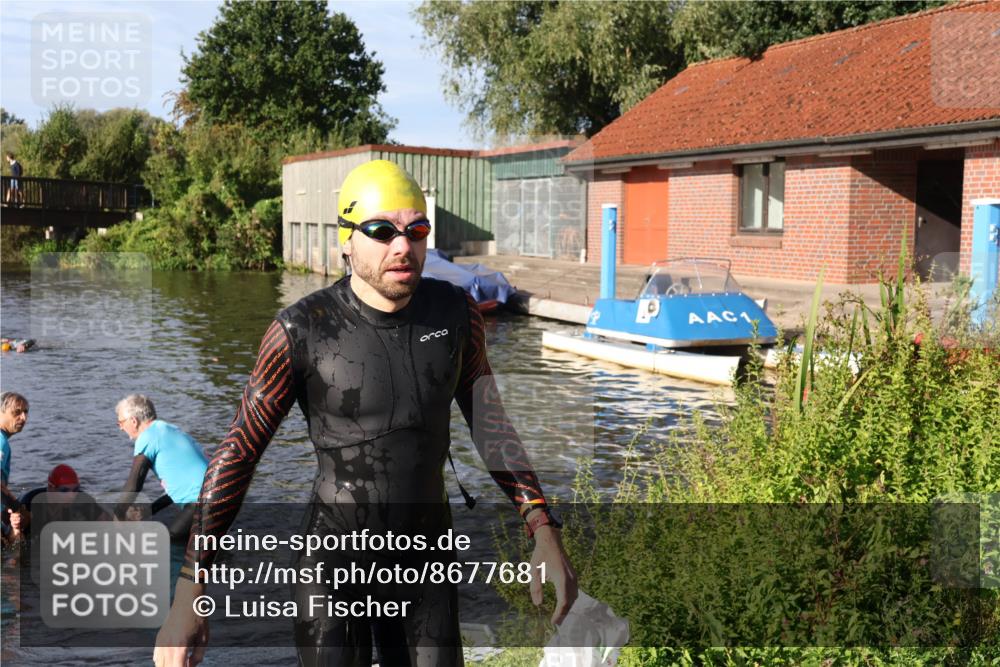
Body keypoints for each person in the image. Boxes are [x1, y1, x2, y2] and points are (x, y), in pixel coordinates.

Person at [154, 160, 577, 667]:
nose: (403, 245)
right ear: (347, 240)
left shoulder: (456, 314)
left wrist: (543, 530)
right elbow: (239, 453)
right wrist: (189, 591)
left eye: (417, 229)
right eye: (382, 230)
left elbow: (491, 427)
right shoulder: (301, 329)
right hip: (333, 565)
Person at [115, 394, 209, 541]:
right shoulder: (170, 429)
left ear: (133, 421)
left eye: (120, 422)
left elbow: (133, 485)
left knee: (167, 546)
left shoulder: (147, 437)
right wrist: (151, 509)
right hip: (216, 495)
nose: (121, 428)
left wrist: (118, 515)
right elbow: (183, 485)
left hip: (201, 503)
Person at [1, 392, 28, 543]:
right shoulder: (1, 442)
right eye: (16, 412)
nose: (23, 418)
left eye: (25, 412)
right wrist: (16, 508)